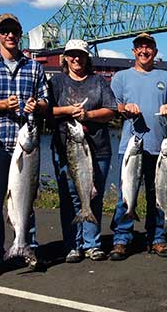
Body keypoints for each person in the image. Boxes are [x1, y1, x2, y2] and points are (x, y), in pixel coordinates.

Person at [0, 13, 49, 276]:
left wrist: (38, 105)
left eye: (15, 31)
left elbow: (45, 100)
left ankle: (26, 247)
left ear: (20, 34)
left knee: (25, 199)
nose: (10, 35)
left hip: (27, 146)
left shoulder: (35, 67)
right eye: (4, 30)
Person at [110, 33, 167, 260]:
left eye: (148, 47)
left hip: (160, 149)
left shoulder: (166, 77)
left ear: (155, 51)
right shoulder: (121, 77)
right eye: (139, 47)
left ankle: (158, 238)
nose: (144, 51)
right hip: (130, 148)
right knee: (125, 195)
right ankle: (121, 239)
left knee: (158, 195)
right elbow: (113, 106)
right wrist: (125, 107)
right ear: (133, 51)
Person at [49, 39, 116, 263]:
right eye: (71, 54)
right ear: (65, 58)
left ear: (88, 57)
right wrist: (67, 111)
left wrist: (87, 116)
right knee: (70, 199)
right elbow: (47, 111)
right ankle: (73, 245)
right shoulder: (57, 82)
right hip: (66, 148)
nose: (76, 58)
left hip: (98, 149)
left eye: (81, 54)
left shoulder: (98, 81)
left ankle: (92, 244)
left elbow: (111, 111)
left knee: (93, 196)